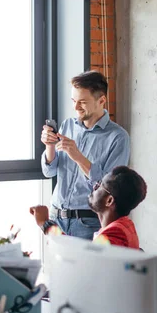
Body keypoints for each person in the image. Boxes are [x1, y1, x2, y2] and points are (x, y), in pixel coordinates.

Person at [41, 71, 130, 240]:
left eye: (82, 102)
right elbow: (49, 171)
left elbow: (111, 189)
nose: (75, 107)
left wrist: (78, 157)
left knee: (82, 267)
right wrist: (49, 147)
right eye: (74, 101)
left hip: (87, 223)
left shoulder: (118, 137)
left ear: (101, 100)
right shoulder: (68, 125)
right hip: (56, 217)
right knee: (56, 267)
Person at [30, 166, 146, 249]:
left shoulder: (115, 233)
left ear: (109, 200)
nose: (93, 187)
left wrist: (45, 224)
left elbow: (80, 258)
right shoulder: (125, 225)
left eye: (99, 185)